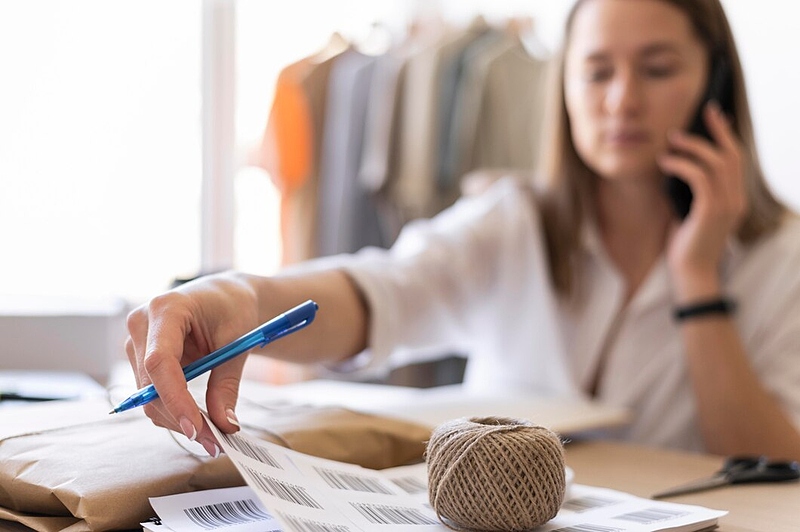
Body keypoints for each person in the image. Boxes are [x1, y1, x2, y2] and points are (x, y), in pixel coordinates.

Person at [126, 0, 800, 461]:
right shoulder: (513, 222)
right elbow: (379, 294)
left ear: (714, 80)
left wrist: (698, 282)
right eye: (596, 71)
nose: (622, 98)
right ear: (562, 88)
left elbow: (776, 467)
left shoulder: (781, 256)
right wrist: (243, 297)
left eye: (657, 69)